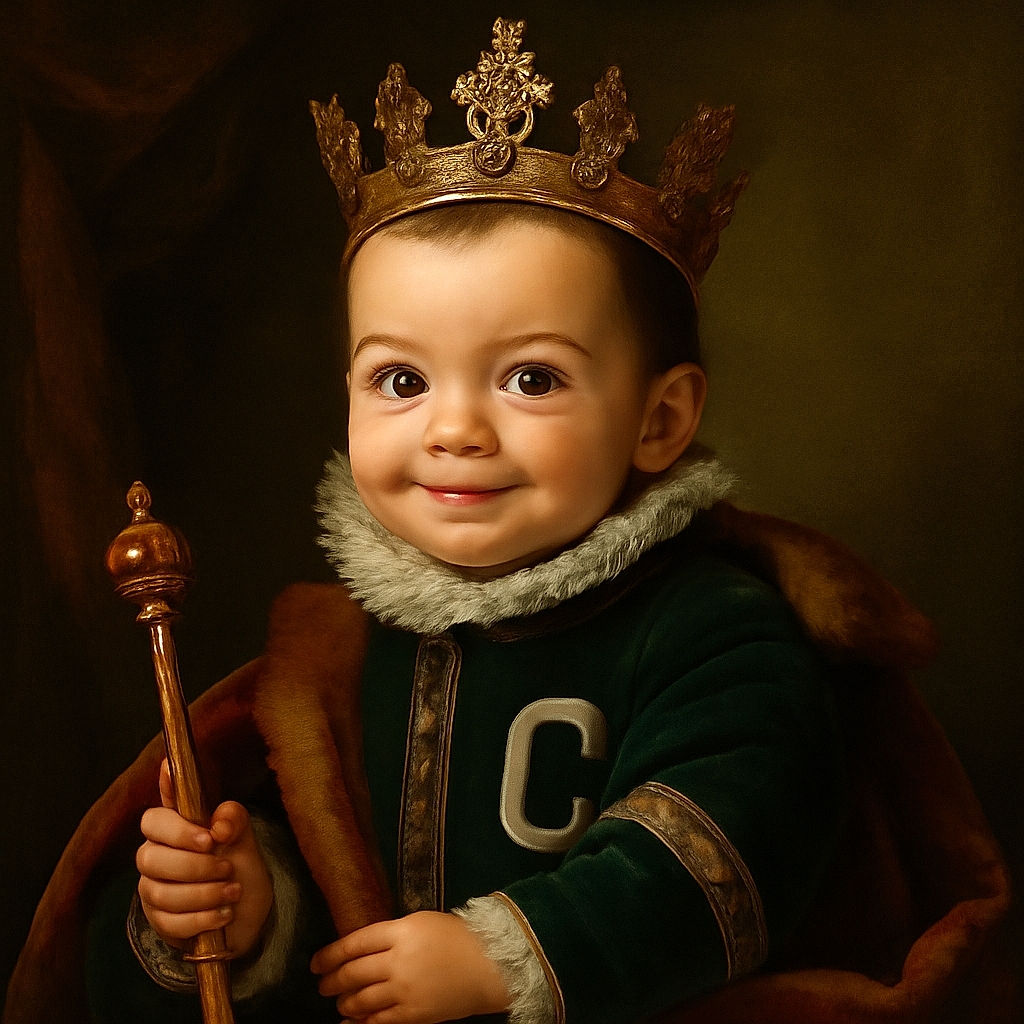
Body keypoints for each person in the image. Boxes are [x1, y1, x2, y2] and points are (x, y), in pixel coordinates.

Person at [4, 17, 1013, 1024]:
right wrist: (250, 902)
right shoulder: (338, 654)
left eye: (530, 377)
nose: (454, 429)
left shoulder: (713, 630)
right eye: (400, 378)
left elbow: (742, 842)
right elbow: (329, 880)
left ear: (659, 419)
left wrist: (507, 956)